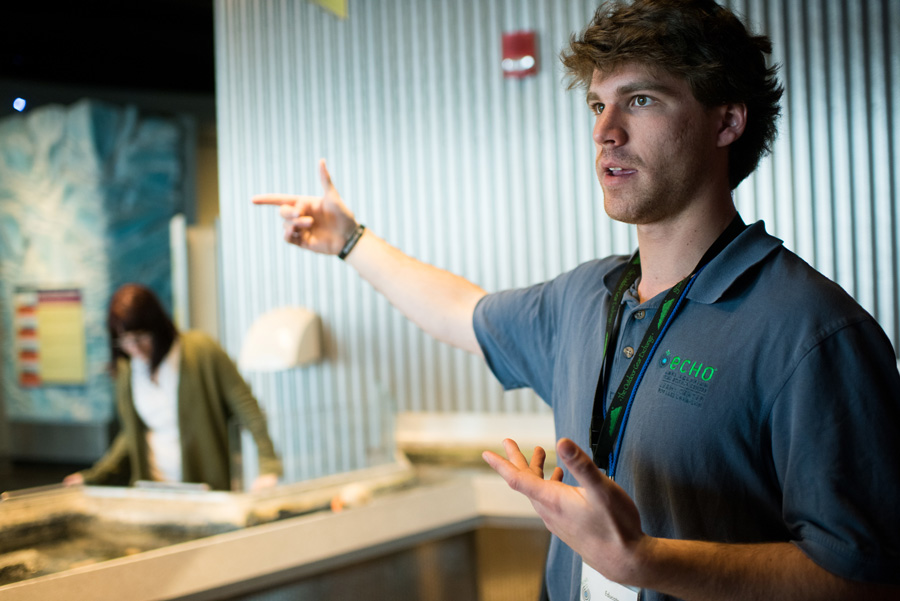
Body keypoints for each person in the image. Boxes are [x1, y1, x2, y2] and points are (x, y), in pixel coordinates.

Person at [253, 0, 900, 598]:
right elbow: (460, 312)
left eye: (640, 100)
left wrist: (646, 560)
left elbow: (864, 575)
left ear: (727, 121)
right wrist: (349, 240)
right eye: (597, 106)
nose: (606, 132)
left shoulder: (810, 330)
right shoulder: (586, 298)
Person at [64, 283, 282, 492]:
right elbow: (131, 434)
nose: (135, 348)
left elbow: (247, 408)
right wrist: (95, 475)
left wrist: (268, 464)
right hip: (153, 488)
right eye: (125, 340)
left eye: (141, 337)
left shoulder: (201, 351)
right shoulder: (127, 370)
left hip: (204, 486)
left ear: (158, 327)